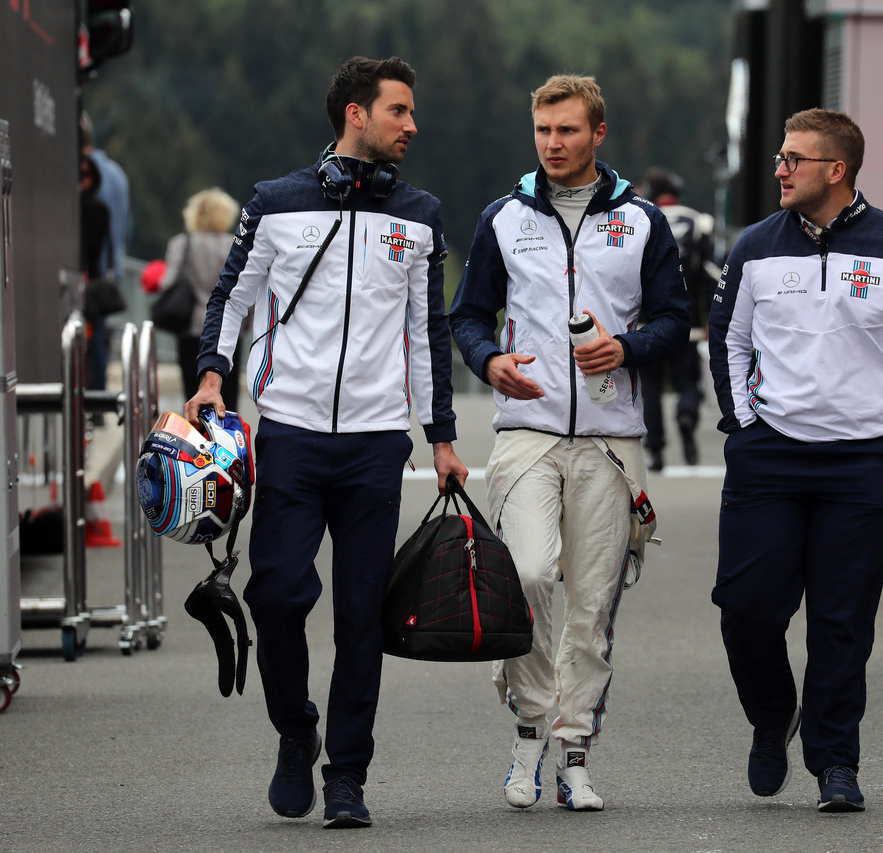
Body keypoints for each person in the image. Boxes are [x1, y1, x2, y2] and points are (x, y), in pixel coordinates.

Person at [184, 55, 467, 830]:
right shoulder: (276, 203)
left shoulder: (420, 214)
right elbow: (232, 296)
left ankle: (347, 774)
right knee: (275, 593)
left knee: (361, 616)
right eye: (400, 111)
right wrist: (213, 375)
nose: (413, 125)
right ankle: (294, 728)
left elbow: (425, 332)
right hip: (292, 436)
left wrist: (439, 435)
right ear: (356, 115)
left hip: (377, 443)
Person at [449, 74, 689, 811]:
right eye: (543, 131)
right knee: (526, 573)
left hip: (613, 440)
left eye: (568, 131)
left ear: (598, 135)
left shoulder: (643, 221)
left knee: (591, 603)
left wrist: (628, 347)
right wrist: (490, 360)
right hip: (526, 432)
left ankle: (573, 750)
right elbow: (468, 316)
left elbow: (675, 321)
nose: (553, 144)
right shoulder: (503, 216)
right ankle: (526, 730)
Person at [710, 108, 883, 813]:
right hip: (769, 458)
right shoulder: (755, 246)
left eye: (795, 158)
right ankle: (771, 712)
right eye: (782, 157)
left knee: (842, 621)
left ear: (836, 170)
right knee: (747, 610)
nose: (780, 168)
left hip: (862, 466)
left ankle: (835, 762)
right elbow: (726, 340)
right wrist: (744, 424)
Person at [638, 167, 719, 470]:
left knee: (651, 388)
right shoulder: (698, 221)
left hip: (647, 324)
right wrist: (714, 316)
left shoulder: (641, 219)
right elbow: (711, 272)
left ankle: (656, 451)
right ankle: (687, 415)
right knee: (687, 381)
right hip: (688, 323)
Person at [161, 188, 242, 410]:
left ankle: (197, 441)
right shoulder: (234, 244)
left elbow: (168, 282)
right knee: (228, 397)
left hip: (191, 328)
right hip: (228, 328)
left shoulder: (182, 243)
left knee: (193, 394)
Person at [81, 115, 132, 393]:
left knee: (86, 337)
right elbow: (126, 227)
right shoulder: (117, 174)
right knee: (99, 335)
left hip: (88, 270)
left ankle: (92, 395)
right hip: (112, 272)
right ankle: (99, 392)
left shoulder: (76, 170)